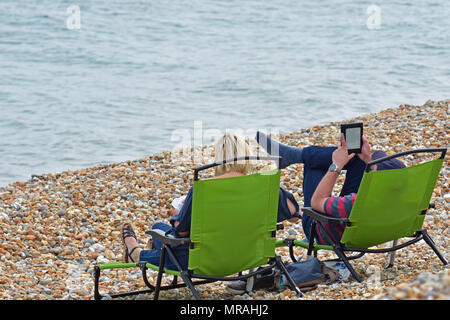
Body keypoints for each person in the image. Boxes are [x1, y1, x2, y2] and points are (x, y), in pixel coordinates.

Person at [121, 132, 302, 270]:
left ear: (218, 158)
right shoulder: (266, 187)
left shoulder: (203, 189)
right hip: (249, 257)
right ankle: (151, 249)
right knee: (158, 228)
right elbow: (295, 216)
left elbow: (181, 234)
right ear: (247, 154)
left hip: (205, 262)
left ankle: (136, 253)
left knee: (160, 232)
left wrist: (180, 214)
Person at [255, 131, 405, 245]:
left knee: (314, 165)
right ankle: (294, 156)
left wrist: (336, 166)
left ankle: (295, 156)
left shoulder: (353, 202)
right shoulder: (408, 197)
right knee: (357, 159)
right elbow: (374, 172)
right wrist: (367, 160)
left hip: (323, 231)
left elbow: (316, 202)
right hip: (370, 229)